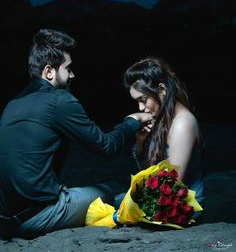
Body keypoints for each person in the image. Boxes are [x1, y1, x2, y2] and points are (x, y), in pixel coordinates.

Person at [0, 29, 152, 239]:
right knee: (113, 189)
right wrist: (132, 121)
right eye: (68, 68)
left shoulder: (12, 105)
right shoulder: (59, 100)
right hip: (37, 218)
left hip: (6, 221)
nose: (73, 75)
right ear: (49, 72)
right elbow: (107, 147)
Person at [123, 56, 205, 220]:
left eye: (143, 100)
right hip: (160, 201)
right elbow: (150, 176)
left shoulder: (182, 125)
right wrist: (140, 143)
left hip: (180, 210)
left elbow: (170, 188)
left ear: (162, 90)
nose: (140, 108)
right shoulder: (163, 118)